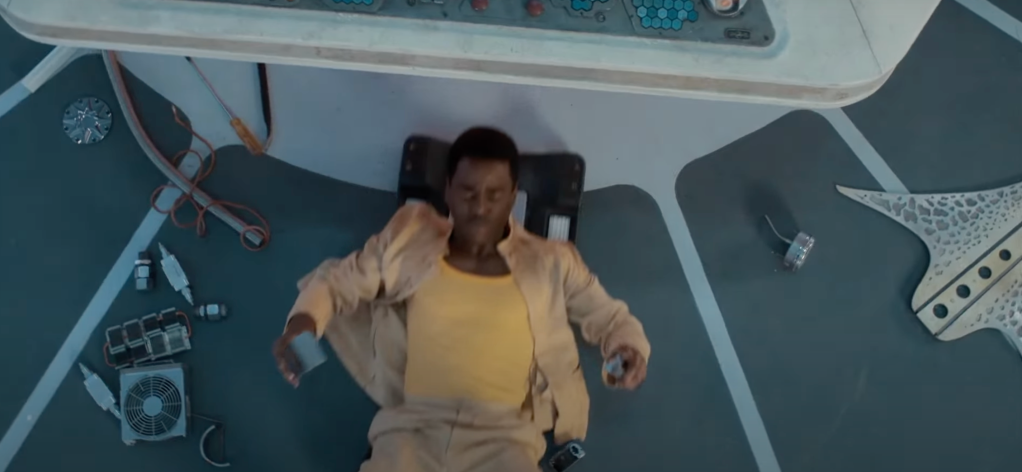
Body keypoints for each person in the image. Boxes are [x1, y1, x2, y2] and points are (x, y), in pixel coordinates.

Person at [272, 127, 650, 472]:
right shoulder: (410, 237)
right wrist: (302, 324)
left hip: (503, 437)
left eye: (494, 194)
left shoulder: (553, 261)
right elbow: (337, 283)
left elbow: (610, 318)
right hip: (413, 427)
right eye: (468, 192)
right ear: (448, 188)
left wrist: (628, 348)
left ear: (513, 193)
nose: (480, 207)